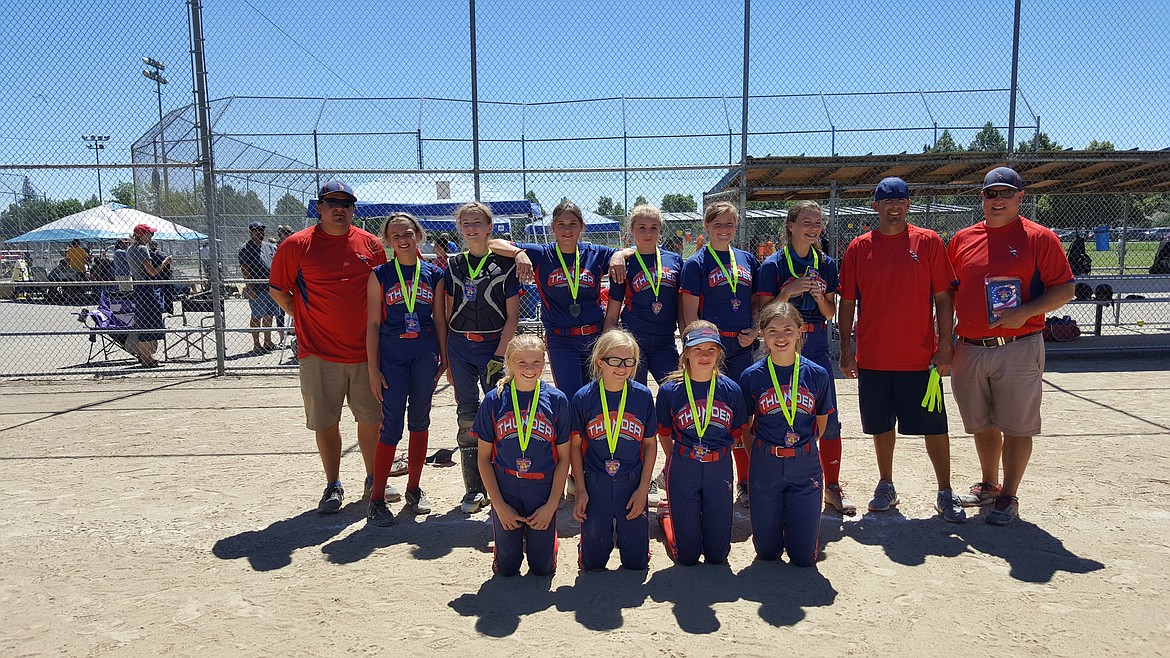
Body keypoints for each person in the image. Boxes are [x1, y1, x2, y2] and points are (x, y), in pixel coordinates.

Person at [948, 167, 1075, 525]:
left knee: (1017, 426)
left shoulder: (1039, 237)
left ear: (1020, 197)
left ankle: (1009, 494)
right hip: (970, 346)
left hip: (1019, 343)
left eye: (1006, 193)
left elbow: (1065, 288)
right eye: (991, 194)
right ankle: (989, 484)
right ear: (982, 198)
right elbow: (949, 292)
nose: (998, 200)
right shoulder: (962, 239)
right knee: (981, 423)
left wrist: (1027, 311)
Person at [837, 177, 966, 523]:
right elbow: (847, 301)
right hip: (875, 356)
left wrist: (944, 346)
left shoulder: (928, 242)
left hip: (920, 358)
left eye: (901, 201)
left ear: (908, 205)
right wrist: (847, 348)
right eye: (887, 201)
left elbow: (943, 298)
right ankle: (886, 485)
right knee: (881, 425)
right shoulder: (859, 248)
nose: (894, 207)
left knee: (934, 425)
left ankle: (945, 490)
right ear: (876, 206)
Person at [269, 180, 387, 514]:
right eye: (331, 202)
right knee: (325, 422)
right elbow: (279, 291)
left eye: (346, 203)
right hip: (318, 353)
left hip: (366, 353)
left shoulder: (371, 245)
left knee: (372, 420)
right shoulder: (296, 245)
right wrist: (303, 315)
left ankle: (372, 478)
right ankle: (333, 483)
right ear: (319, 207)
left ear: (353, 209)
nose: (339, 209)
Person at [755, 201, 852, 515]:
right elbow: (764, 314)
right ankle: (777, 482)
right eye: (807, 222)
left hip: (816, 341)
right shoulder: (773, 264)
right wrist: (790, 291)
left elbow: (829, 311)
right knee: (781, 413)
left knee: (828, 416)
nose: (814, 228)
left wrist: (815, 296)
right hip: (783, 342)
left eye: (818, 223)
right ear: (791, 226)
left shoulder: (825, 263)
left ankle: (833, 486)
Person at [487, 200, 622, 400]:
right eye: (561, 224)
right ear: (552, 228)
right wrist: (519, 253)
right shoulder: (542, 254)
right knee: (572, 396)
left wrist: (619, 255)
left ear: (582, 227)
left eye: (573, 224)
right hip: (561, 339)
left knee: (599, 396)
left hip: (595, 336)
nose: (567, 229)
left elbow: (633, 251)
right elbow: (492, 243)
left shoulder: (595, 253)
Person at [365, 213, 448, 525]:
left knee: (420, 420)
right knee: (391, 425)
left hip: (424, 350)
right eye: (395, 235)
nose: (402, 239)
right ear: (387, 240)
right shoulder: (380, 274)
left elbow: (439, 319)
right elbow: (372, 324)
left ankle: (413, 487)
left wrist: (444, 357)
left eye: (408, 233)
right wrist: (373, 368)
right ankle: (376, 497)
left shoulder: (433, 274)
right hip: (393, 352)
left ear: (419, 235)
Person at [739, 303, 833, 566]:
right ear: (762, 334)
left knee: (803, 558)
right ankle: (777, 519)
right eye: (772, 331)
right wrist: (759, 456)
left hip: (804, 464)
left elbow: (821, 423)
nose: (780, 337)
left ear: (800, 332)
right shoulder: (751, 376)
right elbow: (746, 427)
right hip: (765, 462)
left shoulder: (817, 374)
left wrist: (798, 451)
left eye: (788, 330)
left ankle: (794, 518)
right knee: (767, 553)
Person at [679, 201, 759, 508]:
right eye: (717, 224)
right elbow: (688, 314)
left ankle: (747, 480)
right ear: (707, 227)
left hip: (740, 348)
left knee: (743, 416)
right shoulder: (696, 264)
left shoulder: (747, 259)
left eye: (729, 224)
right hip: (710, 350)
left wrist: (755, 329)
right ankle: (707, 477)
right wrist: (693, 349)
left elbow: (755, 303)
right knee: (709, 413)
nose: (724, 229)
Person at [472, 335, 572, 577]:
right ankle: (510, 542)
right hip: (506, 485)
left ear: (545, 361)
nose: (530, 369)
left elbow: (564, 458)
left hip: (542, 486)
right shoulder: (493, 400)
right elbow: (484, 458)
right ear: (508, 362)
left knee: (542, 568)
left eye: (536, 362)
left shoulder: (557, 400)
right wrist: (498, 505)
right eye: (522, 363)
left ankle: (549, 543)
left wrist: (550, 506)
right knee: (506, 568)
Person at [604, 204, 683, 507]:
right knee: (633, 407)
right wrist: (612, 346)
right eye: (641, 228)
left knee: (675, 399)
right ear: (631, 231)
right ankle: (640, 476)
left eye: (653, 228)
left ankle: (671, 469)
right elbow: (612, 313)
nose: (648, 233)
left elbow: (680, 308)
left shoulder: (675, 261)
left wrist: (686, 344)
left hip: (664, 344)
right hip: (634, 345)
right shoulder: (624, 264)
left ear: (660, 231)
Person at [443, 202, 520, 514]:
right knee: (467, 415)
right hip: (460, 345)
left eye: (478, 222)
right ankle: (474, 488)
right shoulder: (453, 264)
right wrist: (447, 358)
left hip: (493, 344)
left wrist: (500, 354)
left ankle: (504, 481)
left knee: (500, 413)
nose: (472, 228)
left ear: (490, 228)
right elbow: (446, 312)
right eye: (466, 223)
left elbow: (513, 317)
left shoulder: (505, 264)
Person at [655, 322, 748, 566]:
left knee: (717, 556)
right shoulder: (669, 390)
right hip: (684, 465)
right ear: (684, 352)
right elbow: (664, 432)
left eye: (711, 349)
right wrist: (676, 457)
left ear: (719, 353)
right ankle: (666, 516)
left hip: (719, 467)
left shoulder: (731, 389)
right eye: (697, 349)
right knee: (687, 557)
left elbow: (736, 432)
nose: (704, 355)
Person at [570, 329, 657, 571]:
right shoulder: (583, 398)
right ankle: (586, 545)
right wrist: (580, 490)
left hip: (631, 483)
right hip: (595, 483)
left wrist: (643, 489)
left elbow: (650, 444)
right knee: (593, 564)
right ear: (600, 361)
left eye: (629, 361)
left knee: (636, 563)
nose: (622, 367)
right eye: (615, 361)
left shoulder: (642, 395)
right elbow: (575, 446)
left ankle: (640, 542)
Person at [126, 224, 171, 368]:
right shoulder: (142, 249)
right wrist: (165, 262)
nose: (151, 237)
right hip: (146, 288)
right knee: (149, 321)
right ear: (142, 235)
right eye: (149, 234)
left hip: (138, 288)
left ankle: (147, 356)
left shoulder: (130, 249)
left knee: (144, 321)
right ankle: (146, 358)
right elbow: (152, 271)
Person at [239, 221, 279, 352]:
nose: (260, 232)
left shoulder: (270, 247)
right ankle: (256, 344)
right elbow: (245, 270)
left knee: (269, 316)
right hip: (257, 289)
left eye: (261, 230)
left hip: (271, 287)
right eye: (256, 230)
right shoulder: (245, 249)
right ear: (251, 232)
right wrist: (250, 288)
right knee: (256, 316)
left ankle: (267, 341)